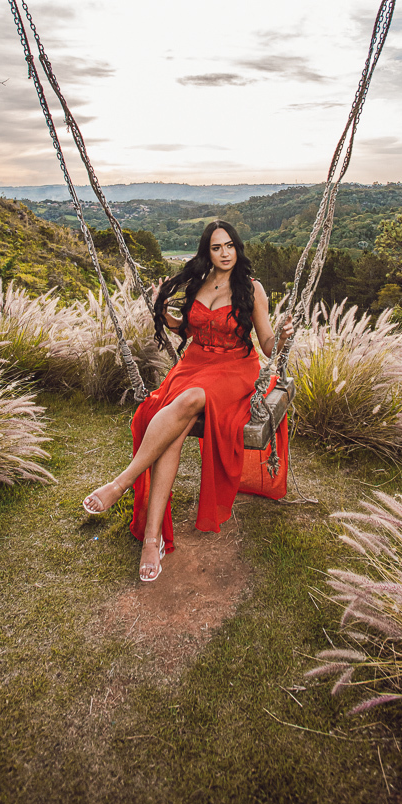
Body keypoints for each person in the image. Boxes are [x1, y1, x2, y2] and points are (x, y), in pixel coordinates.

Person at [82, 220, 293, 582]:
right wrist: (166, 316)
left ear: (237, 248)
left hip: (234, 369)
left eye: (229, 246)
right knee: (173, 432)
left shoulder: (251, 288)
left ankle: (120, 484)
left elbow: (268, 345)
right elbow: (191, 328)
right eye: (216, 247)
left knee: (188, 400)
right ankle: (153, 540)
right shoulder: (198, 283)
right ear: (207, 252)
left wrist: (285, 338)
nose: (224, 253)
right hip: (194, 365)